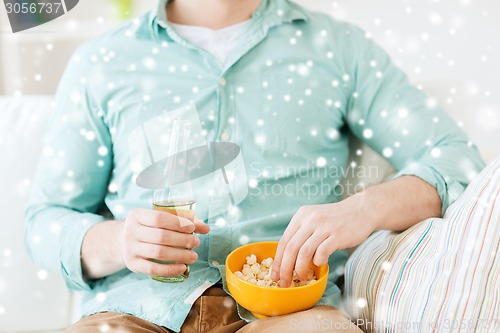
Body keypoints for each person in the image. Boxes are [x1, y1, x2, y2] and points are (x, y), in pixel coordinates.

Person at [25, 0, 486, 332]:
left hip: (294, 318)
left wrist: (363, 210)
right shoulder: (103, 62)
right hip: (134, 314)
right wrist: (117, 241)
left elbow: (457, 158)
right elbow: (44, 221)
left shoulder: (338, 48)